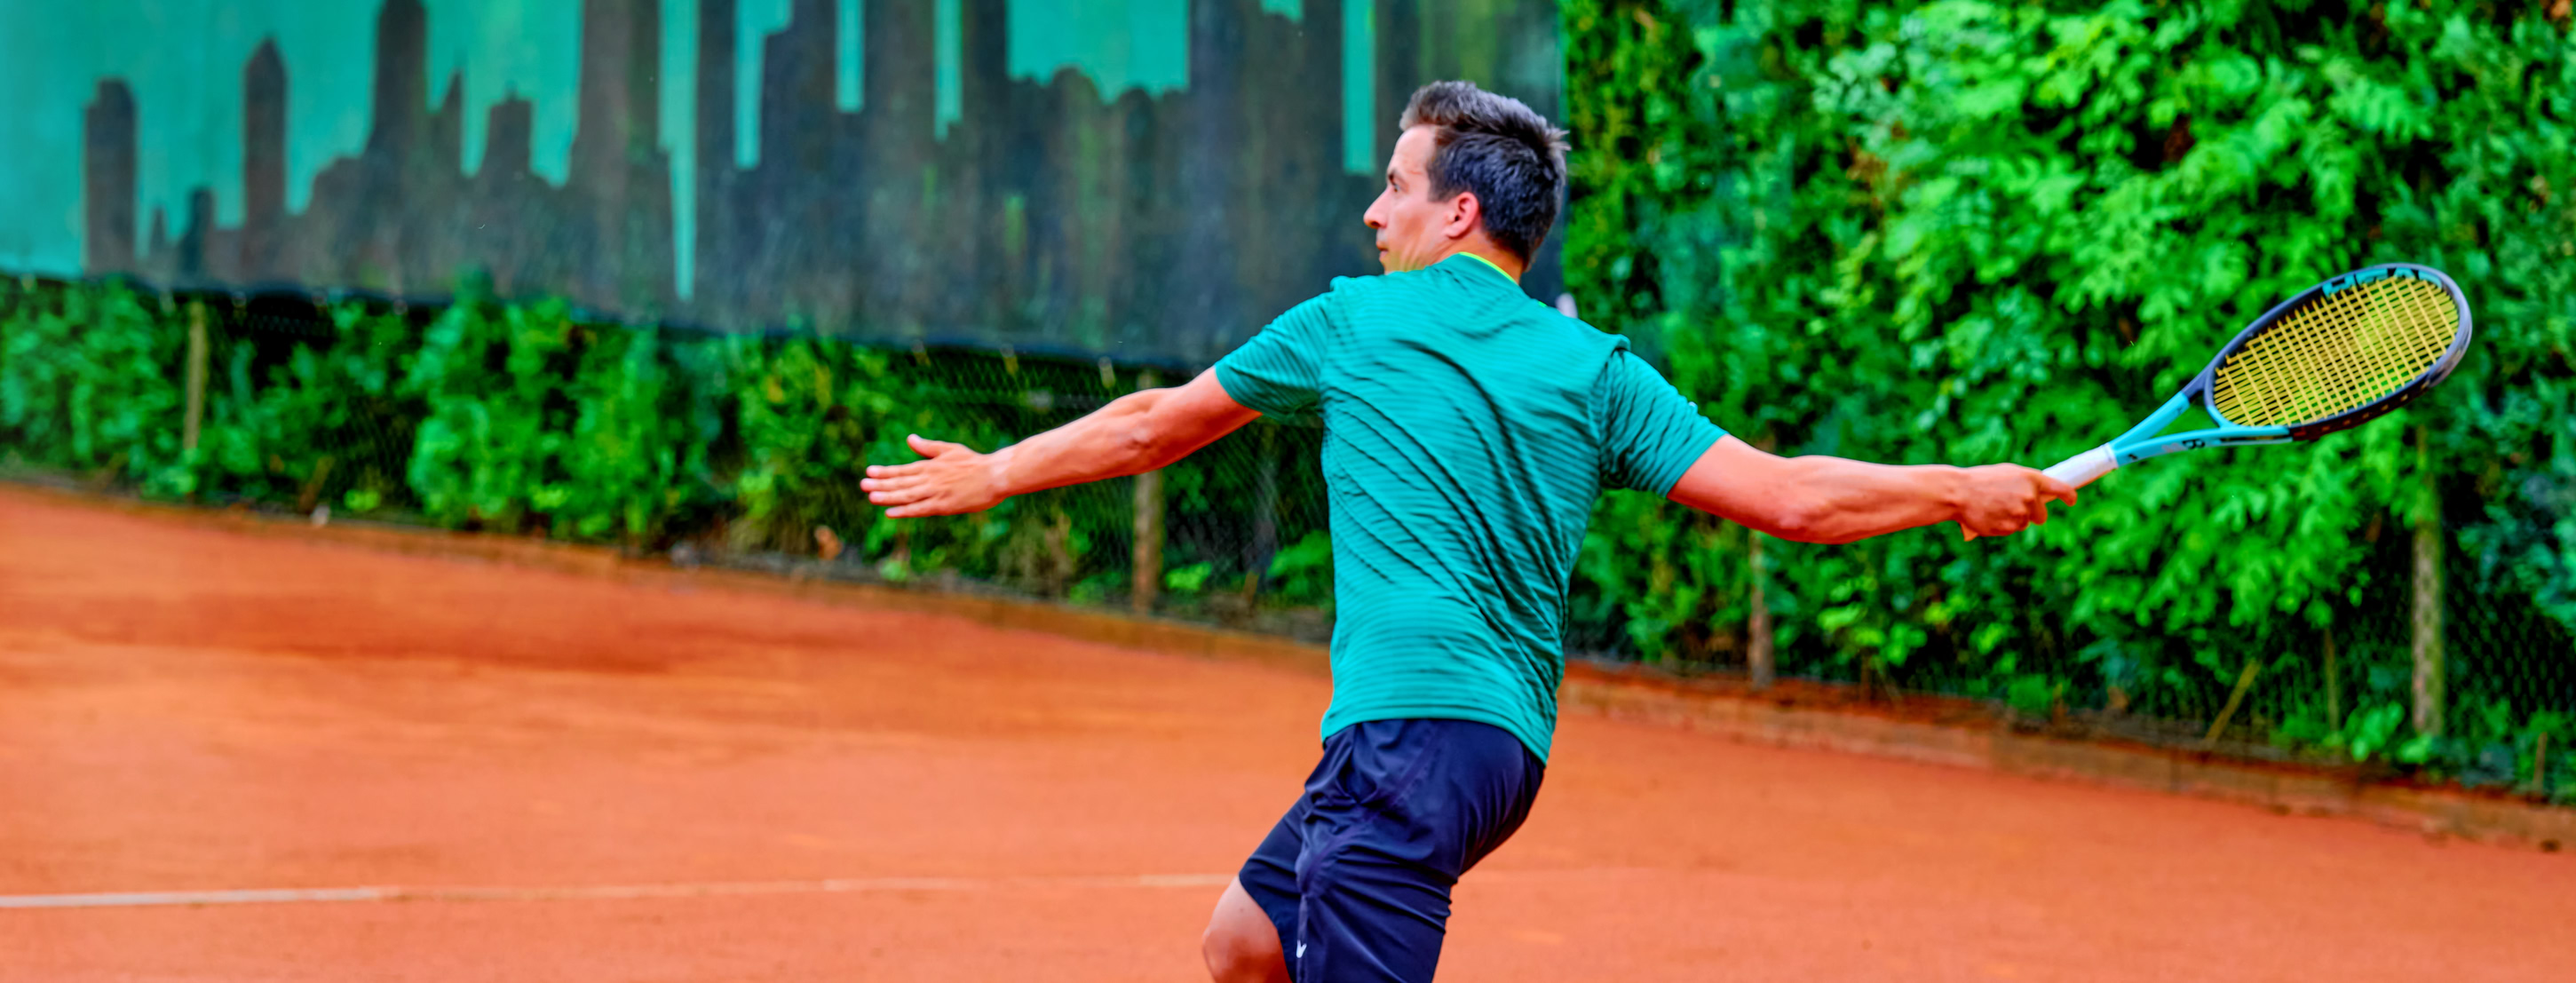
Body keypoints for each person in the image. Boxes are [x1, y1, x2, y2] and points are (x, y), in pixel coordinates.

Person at [858, 81, 2074, 983]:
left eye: (1395, 186)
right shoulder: (1594, 367)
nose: (1373, 212)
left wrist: (998, 471)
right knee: (1244, 945)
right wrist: (1956, 486)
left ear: (1460, 210)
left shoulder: (1351, 323)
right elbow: (1793, 497)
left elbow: (1151, 426)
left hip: (1408, 741)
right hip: (1496, 756)